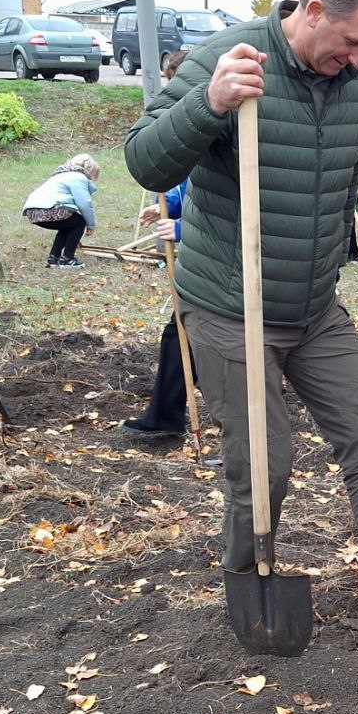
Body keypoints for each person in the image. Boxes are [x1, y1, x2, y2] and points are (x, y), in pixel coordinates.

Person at [124, 0, 358, 641]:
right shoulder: (229, 60)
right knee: (264, 459)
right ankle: (247, 583)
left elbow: (344, 185)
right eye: (351, 41)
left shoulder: (354, 92)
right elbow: (144, 160)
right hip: (229, 304)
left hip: (313, 309)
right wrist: (210, 104)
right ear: (311, 11)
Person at [123, 50, 197, 439]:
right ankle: (166, 415)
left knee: (188, 333)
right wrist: (167, 207)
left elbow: (233, 204)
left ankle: (168, 416)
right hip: (208, 262)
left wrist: (184, 229)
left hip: (229, 260)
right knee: (184, 334)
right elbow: (193, 189)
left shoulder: (221, 122)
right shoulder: (188, 125)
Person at [23, 154, 101, 268]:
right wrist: (90, 225)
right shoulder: (79, 177)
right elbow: (85, 203)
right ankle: (68, 259)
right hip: (49, 209)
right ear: (90, 172)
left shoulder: (60, 175)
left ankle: (53, 257)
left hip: (33, 210)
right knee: (79, 222)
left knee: (68, 223)